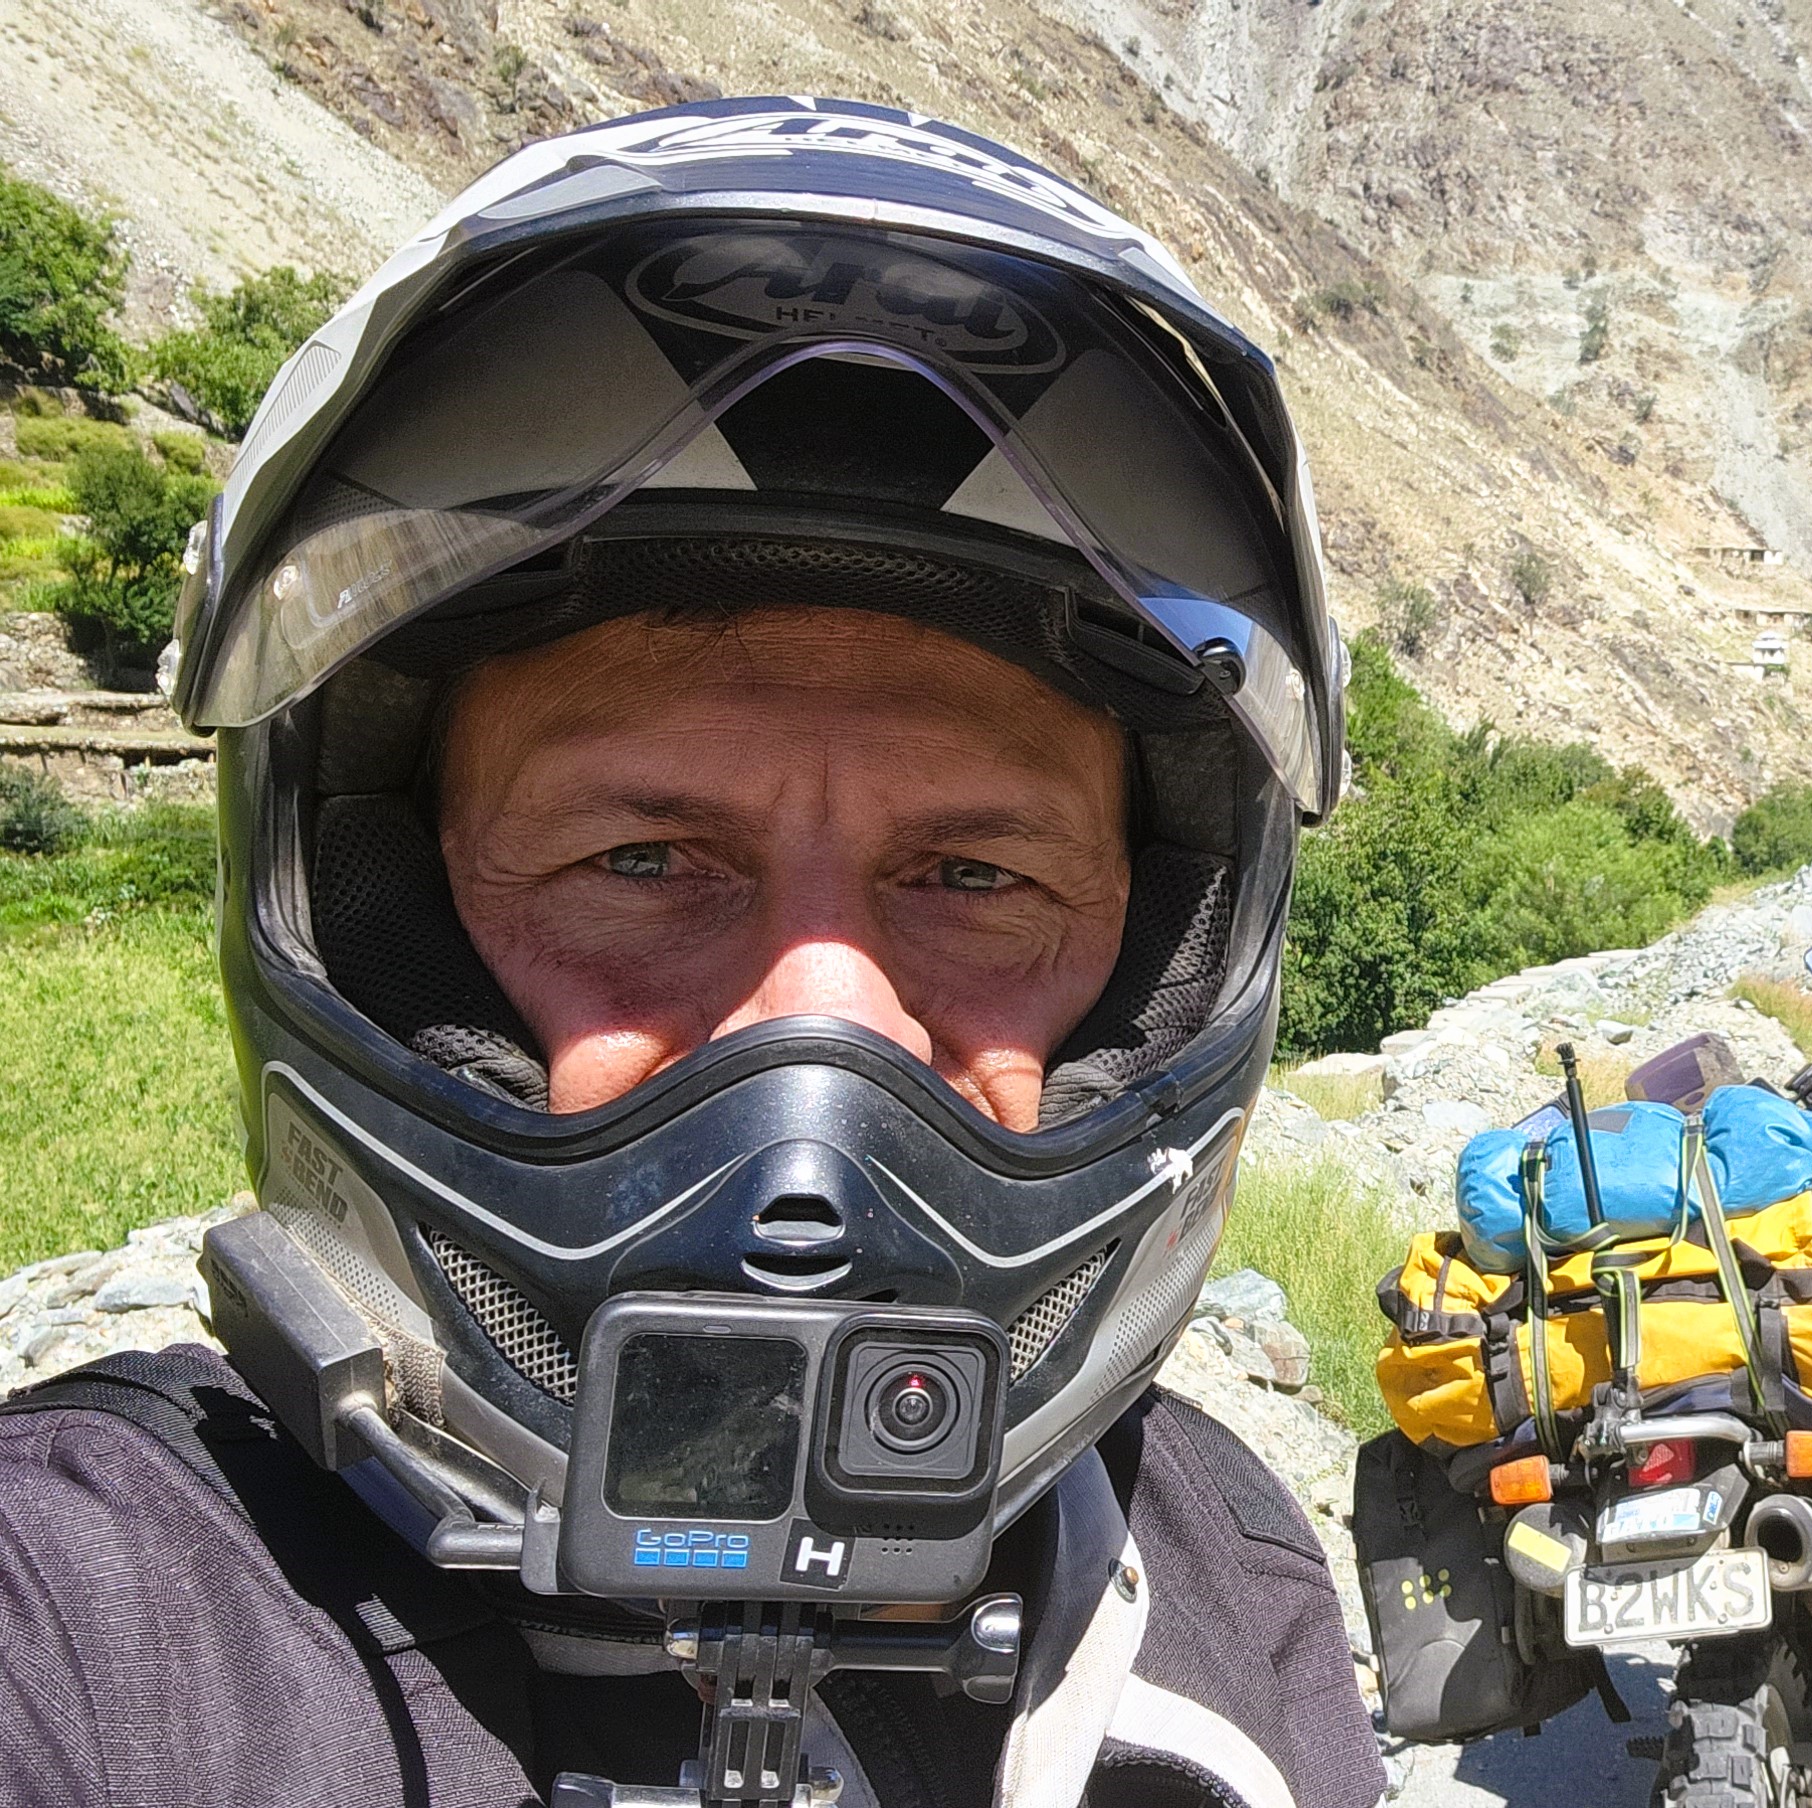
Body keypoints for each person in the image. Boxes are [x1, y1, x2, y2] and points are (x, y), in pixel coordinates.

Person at [0, 99, 1382, 1808]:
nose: (822, 1043)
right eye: (639, 860)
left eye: (970, 872)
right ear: (381, 920)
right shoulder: (85, 1627)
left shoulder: (1221, 1578)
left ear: (1153, 954)